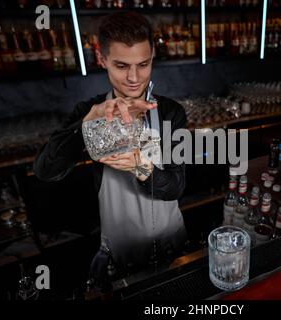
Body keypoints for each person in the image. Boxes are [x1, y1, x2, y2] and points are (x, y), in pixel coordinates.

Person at [33, 11, 188, 286]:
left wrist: (139, 165)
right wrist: (86, 124)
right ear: (102, 59)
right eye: (121, 65)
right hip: (120, 247)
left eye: (143, 64)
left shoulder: (170, 112)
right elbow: (46, 170)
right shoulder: (88, 112)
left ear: (152, 55)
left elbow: (175, 187)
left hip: (172, 241)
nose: (133, 77)